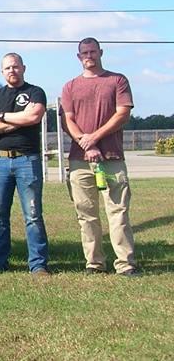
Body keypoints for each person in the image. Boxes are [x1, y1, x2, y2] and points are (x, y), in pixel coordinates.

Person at [61, 37, 138, 276]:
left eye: (93, 51)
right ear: (78, 56)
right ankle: (94, 263)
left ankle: (125, 264)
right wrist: (86, 143)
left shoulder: (117, 80)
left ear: (101, 52)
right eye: (84, 52)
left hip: (112, 159)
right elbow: (68, 120)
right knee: (86, 215)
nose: (89, 56)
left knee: (118, 212)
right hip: (79, 160)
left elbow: (122, 114)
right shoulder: (70, 86)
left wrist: (94, 137)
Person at [0, 52, 50, 275]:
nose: (12, 71)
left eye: (16, 66)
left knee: (32, 214)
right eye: (8, 68)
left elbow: (33, 118)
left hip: (27, 160)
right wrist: (15, 119)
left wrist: (0, 117)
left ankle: (38, 264)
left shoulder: (35, 92)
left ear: (23, 68)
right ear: (2, 71)